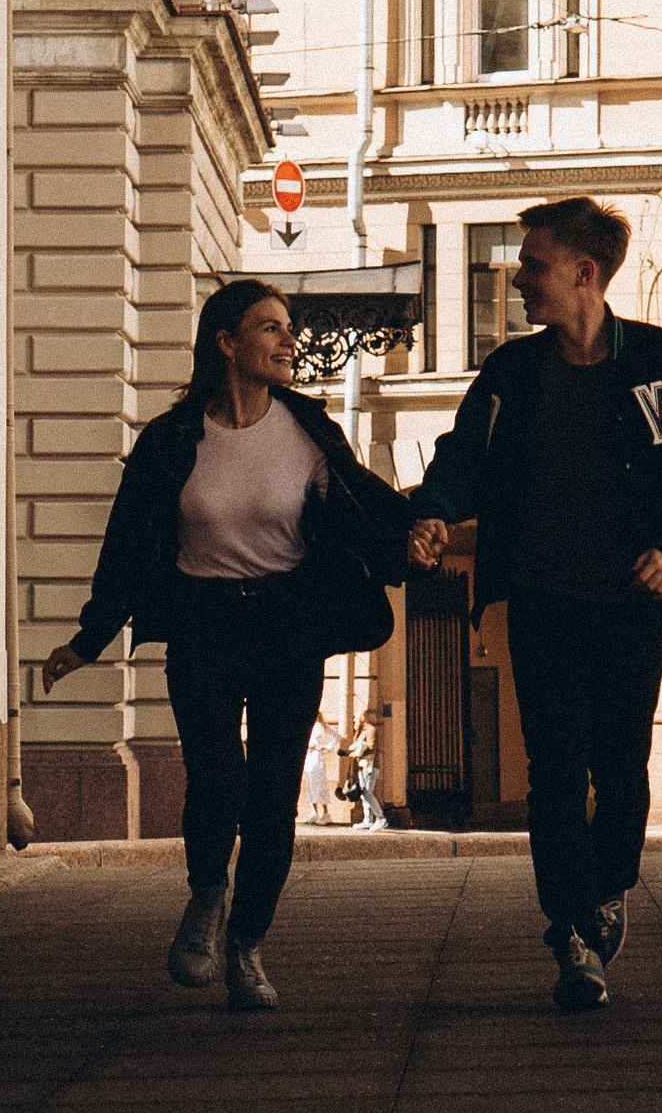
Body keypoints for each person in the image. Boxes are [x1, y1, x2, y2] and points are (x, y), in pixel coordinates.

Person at [407, 194, 662, 1013]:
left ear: (584, 274)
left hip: (629, 603)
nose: (518, 277)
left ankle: (609, 889)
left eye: (533, 264)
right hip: (543, 600)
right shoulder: (511, 374)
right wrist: (433, 509)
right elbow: (463, 456)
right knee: (554, 773)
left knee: (621, 768)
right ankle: (571, 927)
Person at [39, 278, 408, 1009]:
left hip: (286, 624)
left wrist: (419, 535)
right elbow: (128, 544)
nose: (287, 341)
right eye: (269, 328)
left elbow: (366, 506)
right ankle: (207, 894)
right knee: (214, 777)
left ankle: (247, 946)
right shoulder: (174, 439)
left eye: (288, 328)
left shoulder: (308, 430)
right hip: (204, 623)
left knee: (272, 795)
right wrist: (90, 636)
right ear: (227, 342)